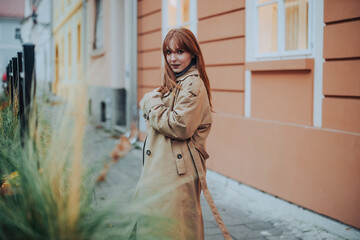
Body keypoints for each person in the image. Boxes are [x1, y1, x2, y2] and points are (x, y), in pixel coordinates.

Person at [128, 28, 231, 240]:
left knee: (173, 229)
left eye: (180, 52)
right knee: (160, 226)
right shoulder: (176, 81)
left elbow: (179, 126)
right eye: (168, 52)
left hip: (176, 172)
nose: (173, 58)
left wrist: (150, 103)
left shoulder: (192, 84)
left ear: (193, 54)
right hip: (164, 169)